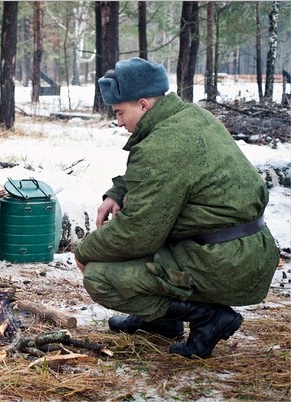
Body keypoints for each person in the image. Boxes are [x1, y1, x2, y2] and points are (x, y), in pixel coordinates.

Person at [75, 57, 279, 359]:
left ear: (143, 105)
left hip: (224, 262)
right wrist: (117, 193)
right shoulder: (187, 117)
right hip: (244, 250)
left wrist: (85, 251)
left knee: (99, 276)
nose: (118, 121)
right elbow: (160, 179)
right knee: (138, 249)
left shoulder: (163, 144)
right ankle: (162, 322)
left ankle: (207, 317)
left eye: (120, 112)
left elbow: (137, 233)